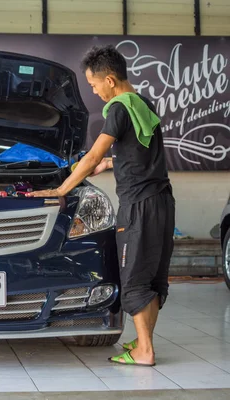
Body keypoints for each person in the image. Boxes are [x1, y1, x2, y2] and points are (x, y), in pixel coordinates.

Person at [30, 45, 175, 367]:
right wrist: (112, 163)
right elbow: (139, 152)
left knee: (134, 277)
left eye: (94, 86)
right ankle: (143, 342)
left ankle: (145, 352)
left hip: (138, 204)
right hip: (162, 201)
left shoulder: (119, 108)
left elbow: (92, 154)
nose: (95, 93)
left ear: (110, 80)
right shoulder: (142, 103)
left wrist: (62, 188)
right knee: (152, 277)